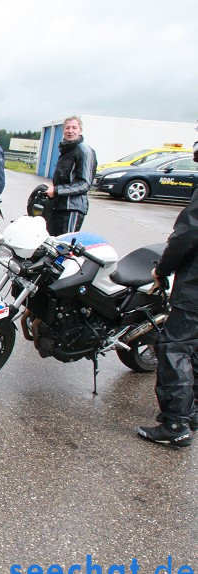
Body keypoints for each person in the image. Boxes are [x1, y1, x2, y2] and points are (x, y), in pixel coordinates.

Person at [136, 140, 198, 448]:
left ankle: (176, 423)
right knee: (193, 349)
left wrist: (162, 270)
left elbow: (186, 236)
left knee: (174, 349)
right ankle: (192, 411)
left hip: (195, 289)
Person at [44, 116, 96, 236]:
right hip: (58, 206)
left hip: (72, 208)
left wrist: (56, 190)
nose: (70, 131)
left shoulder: (84, 151)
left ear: (80, 130)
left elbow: (84, 184)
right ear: (63, 130)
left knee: (65, 244)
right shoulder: (67, 149)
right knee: (52, 244)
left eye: (74, 128)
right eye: (67, 128)